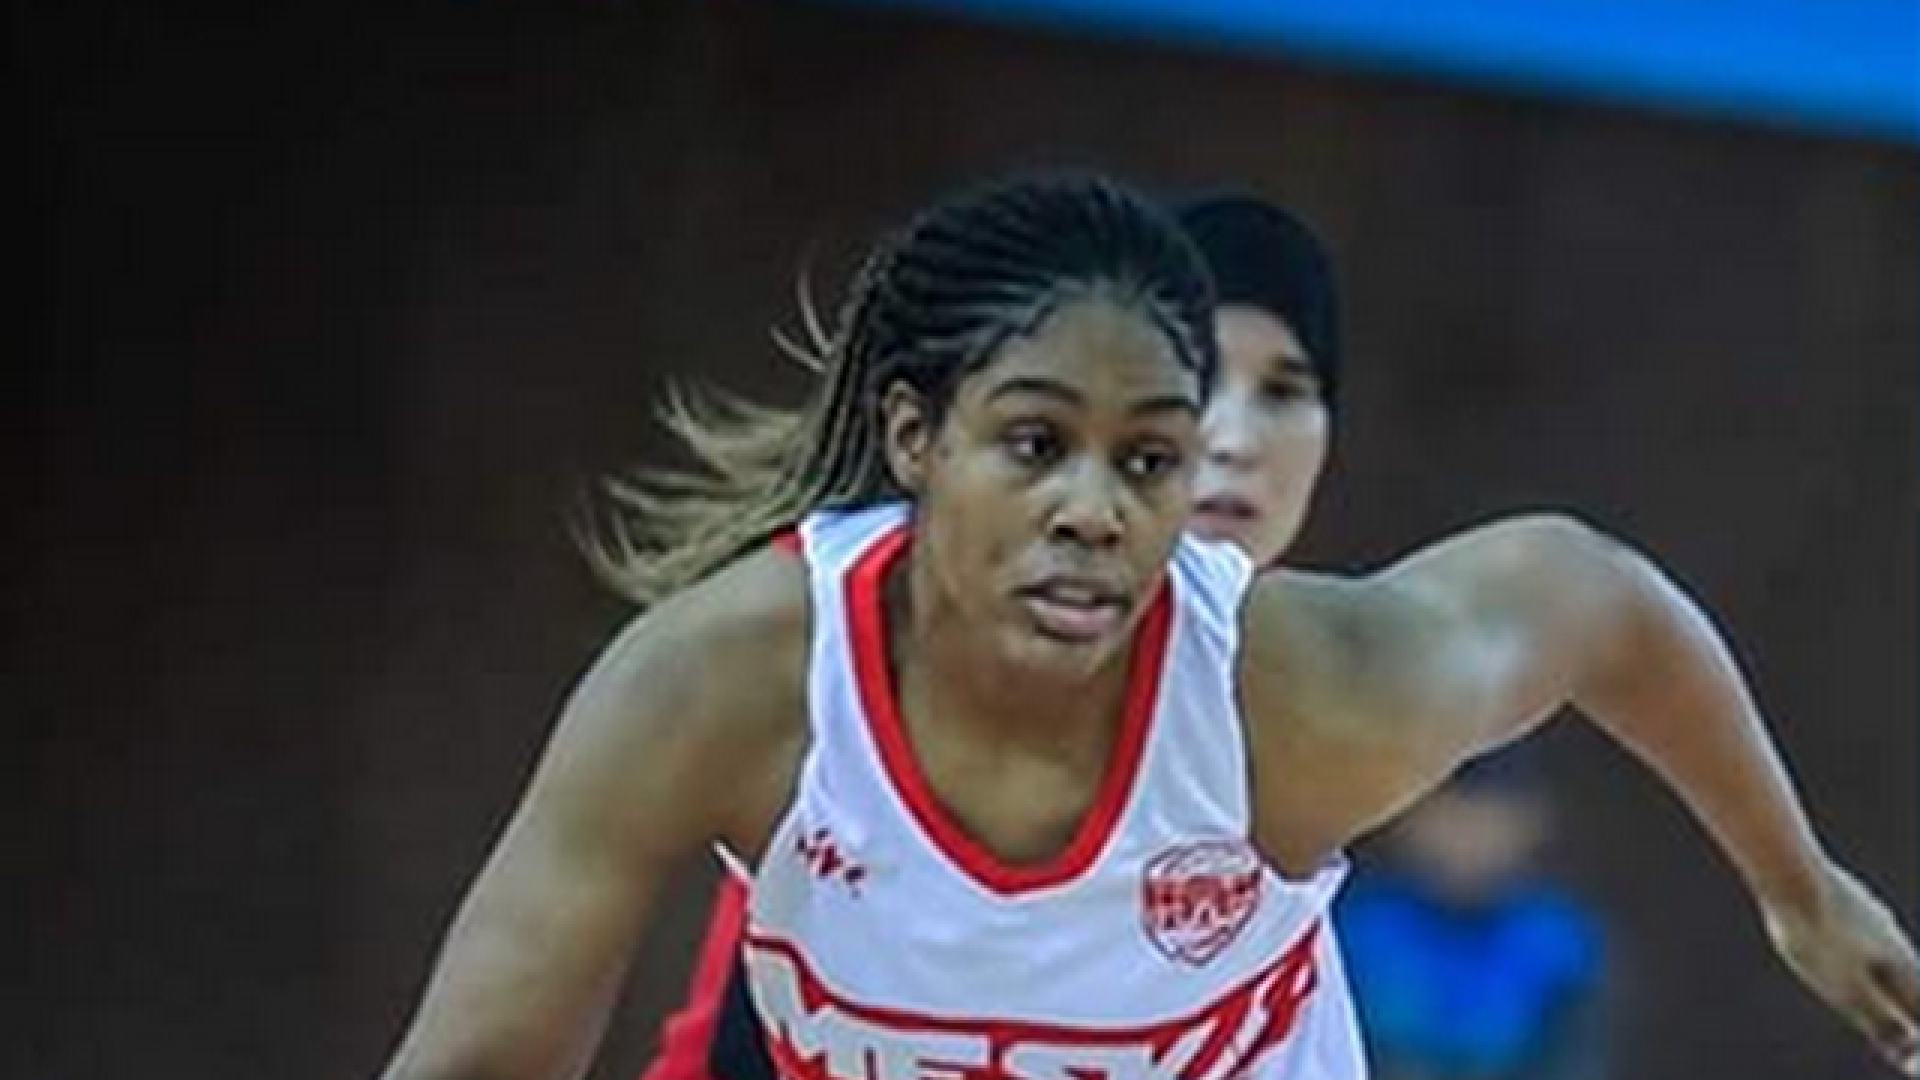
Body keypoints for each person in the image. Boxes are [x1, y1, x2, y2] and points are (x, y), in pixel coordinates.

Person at [377, 174, 1919, 1080]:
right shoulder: (728, 684)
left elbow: (1592, 597)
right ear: (915, 438)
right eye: (1034, 444)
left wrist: (1799, 889)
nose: (1094, 510)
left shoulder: (1284, 697)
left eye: (1150, 461)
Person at [639, 189, 1347, 1080]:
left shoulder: (1330, 699)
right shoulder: (840, 703)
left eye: (1283, 391)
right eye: (1205, 393)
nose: (1233, 439)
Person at [1340, 751, 1608, 1080]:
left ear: (1533, 821)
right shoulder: (1358, 931)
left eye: (1491, 812)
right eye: (1451, 810)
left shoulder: (1561, 947)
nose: (1469, 833)